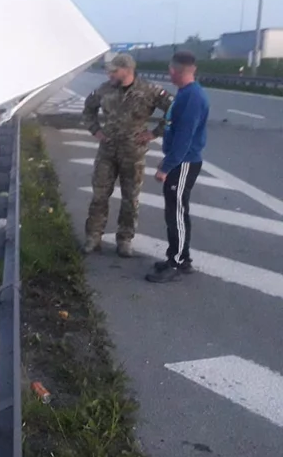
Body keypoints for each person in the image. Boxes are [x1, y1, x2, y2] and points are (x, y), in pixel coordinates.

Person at [81, 53, 174, 257]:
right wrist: (96, 130)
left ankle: (125, 239)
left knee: (130, 198)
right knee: (99, 196)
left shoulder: (149, 91)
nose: (110, 74)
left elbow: (173, 110)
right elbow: (88, 110)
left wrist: (154, 133)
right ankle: (93, 237)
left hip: (133, 153)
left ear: (127, 70)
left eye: (114, 71)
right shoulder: (104, 90)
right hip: (107, 151)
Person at [145, 51, 209, 283]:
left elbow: (185, 136)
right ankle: (176, 256)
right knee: (173, 212)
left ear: (175, 70)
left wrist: (167, 166)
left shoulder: (192, 97)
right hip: (179, 161)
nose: (168, 73)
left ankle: (180, 263)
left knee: (177, 214)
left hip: (183, 163)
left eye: (169, 70)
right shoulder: (185, 93)